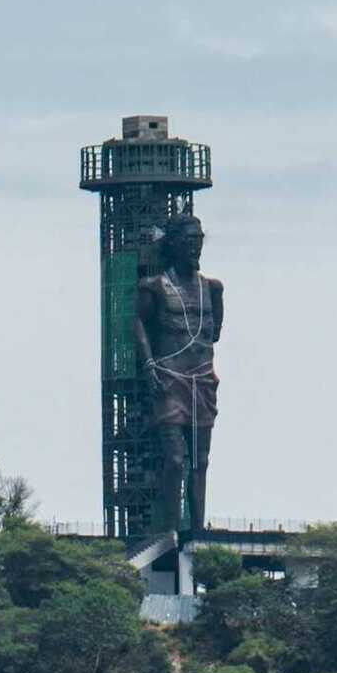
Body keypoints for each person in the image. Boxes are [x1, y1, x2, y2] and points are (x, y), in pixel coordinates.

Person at [133, 213, 223, 533]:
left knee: (200, 462)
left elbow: (213, 334)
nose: (194, 248)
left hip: (202, 380)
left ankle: (196, 533)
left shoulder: (211, 289)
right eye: (187, 242)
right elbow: (139, 323)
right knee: (173, 459)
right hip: (170, 379)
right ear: (172, 245)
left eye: (198, 242)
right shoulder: (154, 287)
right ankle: (169, 531)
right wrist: (149, 364)